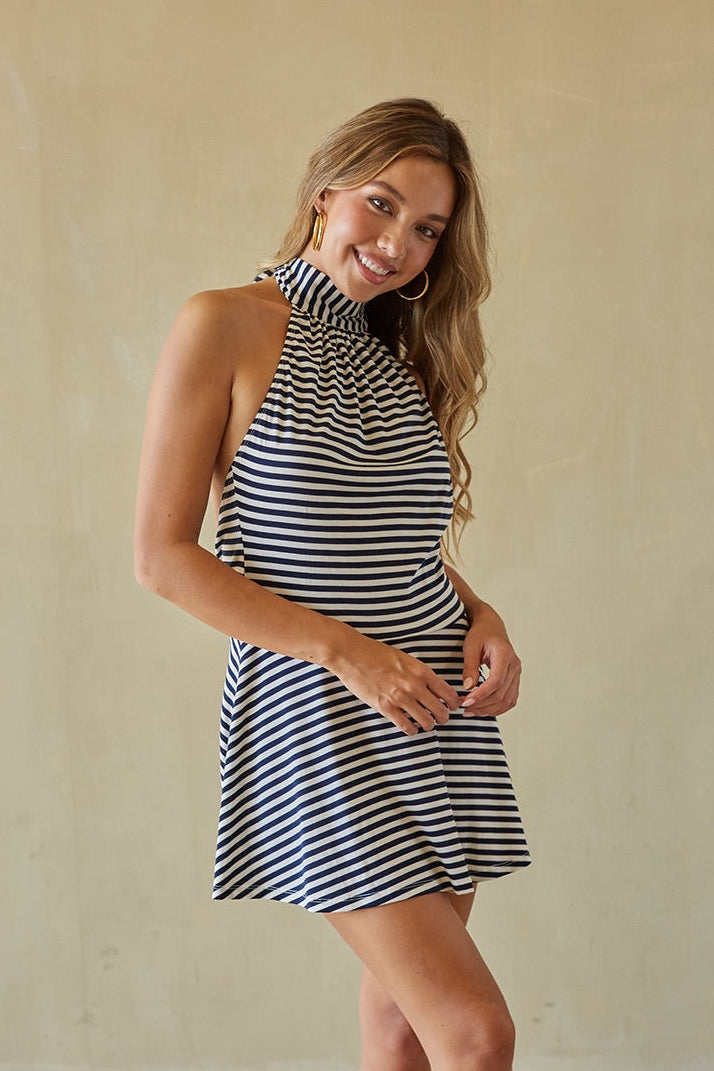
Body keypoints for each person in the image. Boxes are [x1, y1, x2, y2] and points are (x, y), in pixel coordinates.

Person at [135, 98, 530, 1071]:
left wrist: (483, 613)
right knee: (476, 1037)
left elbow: (392, 545)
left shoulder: (399, 356)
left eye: (427, 228)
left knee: (401, 1028)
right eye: (382, 205)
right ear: (326, 196)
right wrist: (348, 653)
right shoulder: (223, 323)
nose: (398, 243)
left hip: (434, 704)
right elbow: (164, 556)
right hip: (325, 705)